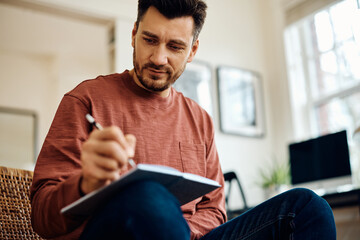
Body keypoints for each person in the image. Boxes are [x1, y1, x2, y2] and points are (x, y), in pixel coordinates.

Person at [30, 0, 336, 239]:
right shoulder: (86, 100)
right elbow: (41, 217)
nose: (159, 58)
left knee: (307, 207)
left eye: (175, 46)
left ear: (192, 50)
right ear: (134, 34)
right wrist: (84, 184)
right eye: (150, 39)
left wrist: (178, 230)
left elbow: (215, 212)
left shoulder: (199, 119)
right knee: (150, 198)